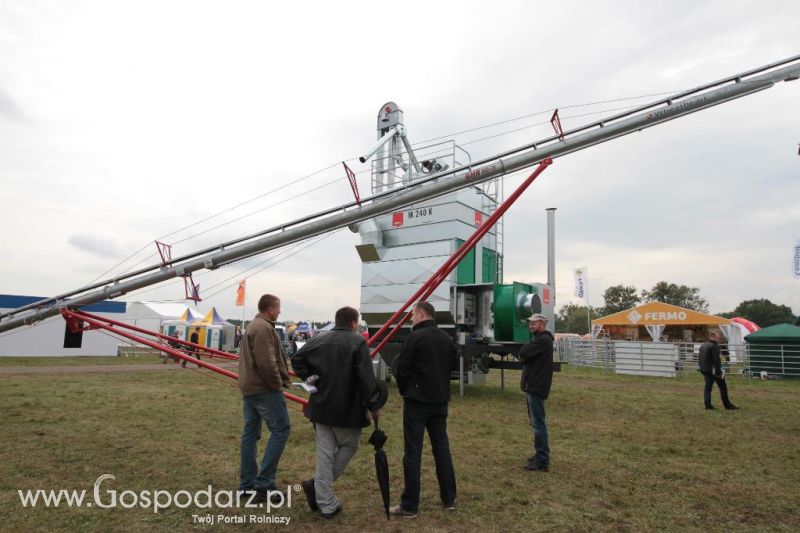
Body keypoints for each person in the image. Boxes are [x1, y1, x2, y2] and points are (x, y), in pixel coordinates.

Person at [291, 306, 384, 519]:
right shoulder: (358, 342)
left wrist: (310, 377)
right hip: (347, 409)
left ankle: (321, 494)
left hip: (321, 406)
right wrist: (374, 405)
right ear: (353, 323)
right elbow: (366, 377)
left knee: (325, 455)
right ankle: (323, 496)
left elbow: (297, 358)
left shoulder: (318, 340)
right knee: (349, 446)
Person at [390, 301, 457, 518]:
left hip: (416, 402)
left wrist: (405, 390)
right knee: (442, 449)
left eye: (412, 315)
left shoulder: (414, 338)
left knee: (413, 452)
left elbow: (402, 369)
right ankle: (449, 498)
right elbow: (453, 365)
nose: (411, 319)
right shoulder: (446, 338)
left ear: (420, 314)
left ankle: (409, 505)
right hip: (440, 401)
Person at [238, 294, 292, 503]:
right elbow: (267, 362)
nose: (279, 312)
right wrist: (277, 385)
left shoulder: (253, 325)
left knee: (250, 434)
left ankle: (247, 485)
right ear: (270, 309)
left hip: (250, 389)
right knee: (281, 429)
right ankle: (264, 485)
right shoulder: (263, 328)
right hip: (264, 390)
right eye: (278, 308)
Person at [519, 313, 554, 472]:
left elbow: (524, 352)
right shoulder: (540, 340)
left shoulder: (543, 340)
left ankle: (542, 460)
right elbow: (525, 353)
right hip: (534, 385)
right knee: (536, 423)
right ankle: (540, 455)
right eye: (530, 323)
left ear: (542, 324)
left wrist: (525, 352)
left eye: (533, 324)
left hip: (536, 386)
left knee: (538, 424)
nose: (530, 326)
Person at [698, 332, 738, 410]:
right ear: (712, 337)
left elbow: (700, 359)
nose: (718, 338)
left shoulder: (702, 346)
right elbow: (716, 360)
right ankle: (727, 405)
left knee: (708, 388)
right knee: (723, 387)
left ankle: (707, 405)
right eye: (717, 337)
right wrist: (718, 371)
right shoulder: (714, 346)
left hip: (705, 370)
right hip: (713, 370)